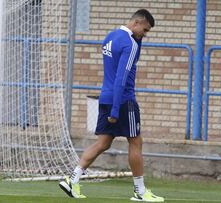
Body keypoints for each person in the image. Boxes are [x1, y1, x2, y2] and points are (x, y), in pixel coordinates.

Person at [59, 9, 164, 202]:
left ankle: (72, 179)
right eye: (145, 30)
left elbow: (118, 66)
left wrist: (138, 40)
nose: (145, 34)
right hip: (123, 100)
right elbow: (121, 78)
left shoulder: (110, 36)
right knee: (136, 142)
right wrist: (116, 109)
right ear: (137, 23)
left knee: (103, 143)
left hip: (105, 97)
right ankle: (140, 192)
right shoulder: (129, 43)